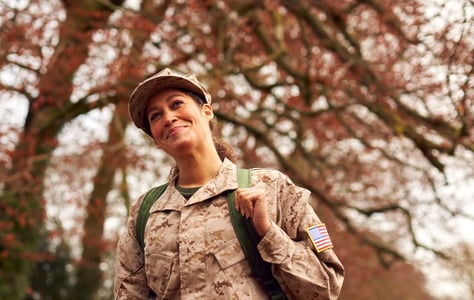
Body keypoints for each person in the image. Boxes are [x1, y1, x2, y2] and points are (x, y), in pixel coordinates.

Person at [114, 68, 344, 299]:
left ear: (207, 111)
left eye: (176, 104)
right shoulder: (144, 213)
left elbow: (326, 287)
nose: (168, 118)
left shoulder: (275, 188)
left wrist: (267, 232)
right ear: (155, 139)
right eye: (155, 116)